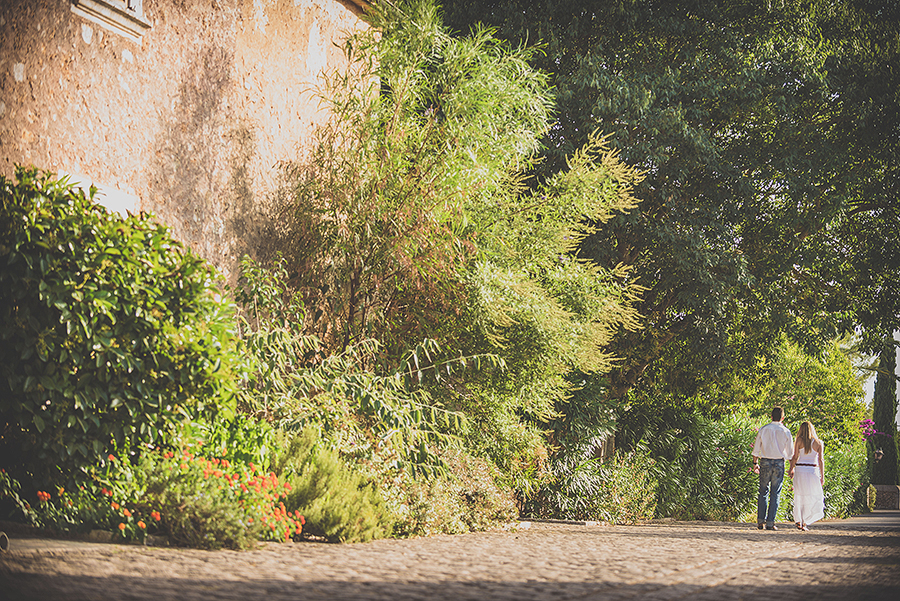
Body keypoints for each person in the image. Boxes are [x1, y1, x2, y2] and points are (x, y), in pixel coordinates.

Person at [752, 406, 794, 530]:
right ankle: (770, 522)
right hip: (779, 462)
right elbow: (790, 453)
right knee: (775, 493)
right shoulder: (786, 431)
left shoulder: (763, 429)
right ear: (783, 418)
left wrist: (755, 463)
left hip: (765, 461)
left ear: (771, 417)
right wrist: (792, 468)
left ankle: (760, 521)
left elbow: (756, 449)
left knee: (763, 491)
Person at [789, 421, 825, 531]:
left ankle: (798, 520)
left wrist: (791, 468)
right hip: (812, 470)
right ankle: (805, 521)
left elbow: (795, 456)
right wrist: (822, 476)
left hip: (800, 470)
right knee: (811, 496)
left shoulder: (799, 441)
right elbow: (821, 460)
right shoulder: (819, 443)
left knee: (799, 495)